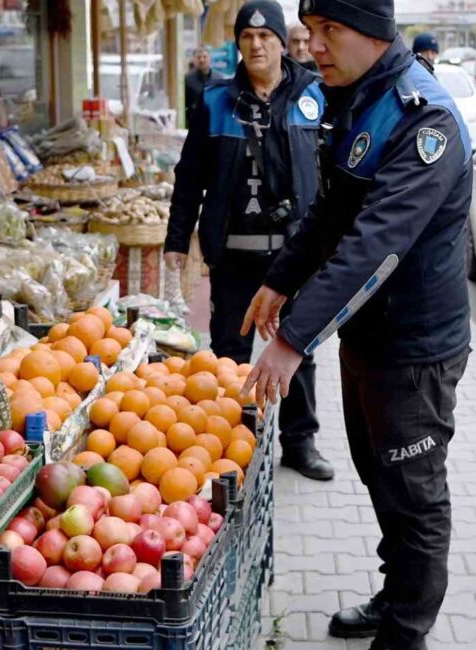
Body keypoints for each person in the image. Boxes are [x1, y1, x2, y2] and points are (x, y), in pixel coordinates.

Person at [241, 0, 471, 647]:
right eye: (310, 31)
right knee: (379, 475)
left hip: (417, 351)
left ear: (372, 32)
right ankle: (394, 592)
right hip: (370, 339)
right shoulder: (358, 98)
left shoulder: (425, 121)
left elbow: (375, 245)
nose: (312, 46)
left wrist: (292, 341)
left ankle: (405, 632)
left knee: (415, 495)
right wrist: (280, 279)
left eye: (328, 31)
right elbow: (330, 214)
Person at [166, 0, 334, 481]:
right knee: (228, 353)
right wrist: (178, 238)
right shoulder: (216, 100)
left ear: (282, 42)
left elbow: (334, 175)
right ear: (237, 44)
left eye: (266, 37)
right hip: (235, 257)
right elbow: (189, 176)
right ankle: (228, 443)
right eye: (247, 37)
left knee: (298, 348)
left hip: (295, 256)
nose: (257, 45)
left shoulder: (315, 94)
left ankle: (300, 443)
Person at [184, 45, 219, 121]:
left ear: (210, 59)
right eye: (198, 57)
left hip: (213, 121)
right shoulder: (187, 79)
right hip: (194, 122)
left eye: (205, 57)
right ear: (194, 60)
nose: (202, 60)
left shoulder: (218, 78)